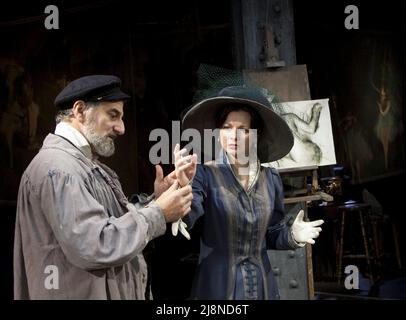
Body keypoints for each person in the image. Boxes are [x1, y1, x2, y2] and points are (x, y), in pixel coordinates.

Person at [13, 75, 195, 300]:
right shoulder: (59, 168)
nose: (121, 128)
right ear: (79, 111)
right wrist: (158, 213)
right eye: (113, 115)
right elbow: (96, 243)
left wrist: (156, 200)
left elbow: (105, 224)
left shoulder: (79, 164)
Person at [174, 85, 324, 299]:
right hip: (217, 288)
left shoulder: (270, 179)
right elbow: (189, 215)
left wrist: (292, 235)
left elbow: (270, 234)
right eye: (227, 127)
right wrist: (182, 191)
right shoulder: (204, 175)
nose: (233, 136)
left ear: (255, 135)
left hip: (262, 287)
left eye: (243, 129)